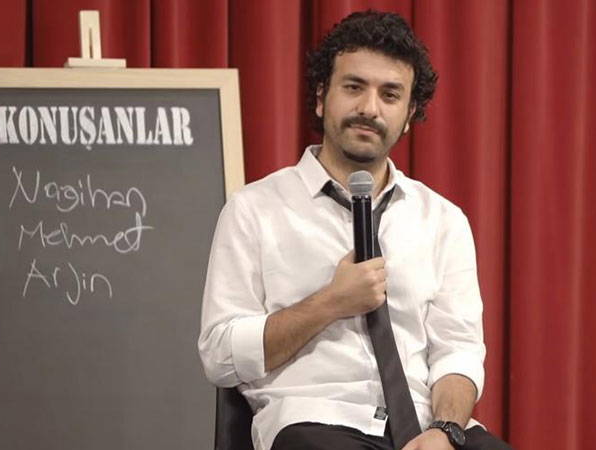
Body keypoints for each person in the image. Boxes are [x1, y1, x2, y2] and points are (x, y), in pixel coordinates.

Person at [199, 10, 511, 450]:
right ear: (321, 97)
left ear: (409, 114)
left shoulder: (443, 220)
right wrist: (331, 302)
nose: (369, 108)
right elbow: (219, 354)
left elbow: (458, 351)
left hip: (426, 426)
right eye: (353, 87)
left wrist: (445, 430)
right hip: (316, 421)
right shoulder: (254, 210)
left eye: (390, 95)